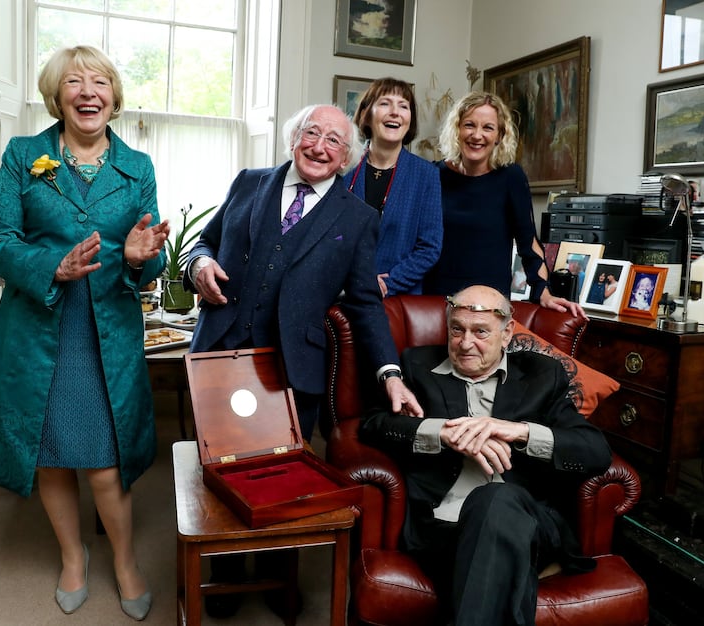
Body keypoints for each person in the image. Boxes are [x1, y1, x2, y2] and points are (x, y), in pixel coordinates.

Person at [184, 103, 422, 618]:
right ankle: (226, 575)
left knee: (283, 480)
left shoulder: (359, 218)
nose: (320, 146)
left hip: (293, 368)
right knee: (220, 469)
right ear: (293, 139)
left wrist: (390, 373)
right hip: (220, 352)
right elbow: (202, 243)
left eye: (334, 141)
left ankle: (277, 576)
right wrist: (199, 263)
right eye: (311, 133)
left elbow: (365, 302)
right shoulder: (249, 182)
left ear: (345, 158)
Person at [0, 45, 169, 620]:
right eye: (73, 82)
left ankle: (124, 561)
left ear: (113, 96)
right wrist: (52, 266)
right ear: (57, 96)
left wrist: (140, 257)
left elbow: (151, 256)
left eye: (98, 81)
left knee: (105, 460)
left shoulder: (138, 167)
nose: (87, 92)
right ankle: (73, 556)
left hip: (107, 333)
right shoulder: (23, 155)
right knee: (51, 454)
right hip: (38, 328)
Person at [360, 285, 612, 625]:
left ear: (506, 334)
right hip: (442, 527)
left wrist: (518, 431)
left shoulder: (541, 374)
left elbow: (594, 451)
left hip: (527, 523)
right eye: (457, 330)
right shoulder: (416, 366)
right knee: (492, 550)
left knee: (495, 499)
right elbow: (372, 426)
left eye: (480, 332)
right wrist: (443, 434)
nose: (465, 343)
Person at [423, 91, 584, 318]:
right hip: (434, 300)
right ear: (456, 129)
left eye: (488, 128)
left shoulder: (511, 178)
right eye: (469, 125)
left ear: (499, 135)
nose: (477, 135)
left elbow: (528, 241)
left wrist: (543, 291)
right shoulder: (432, 174)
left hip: (489, 303)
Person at [343, 77, 443, 296]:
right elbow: (328, 237)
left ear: (410, 119)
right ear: (366, 114)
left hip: (399, 299)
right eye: (385, 103)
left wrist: (387, 284)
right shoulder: (343, 168)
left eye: (403, 106)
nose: (395, 112)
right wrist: (350, 280)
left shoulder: (426, 175)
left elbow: (429, 248)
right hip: (342, 294)